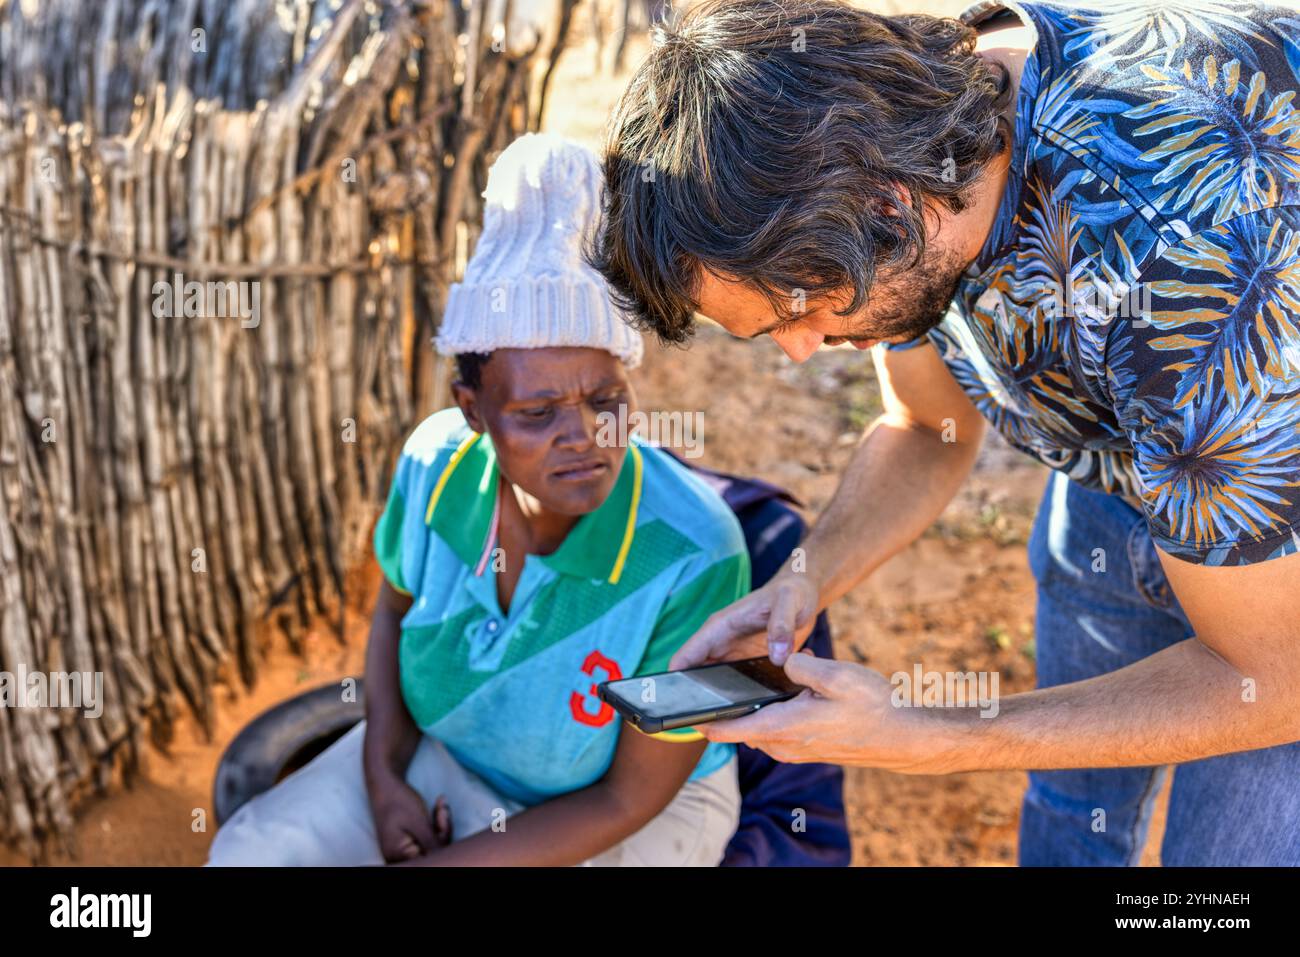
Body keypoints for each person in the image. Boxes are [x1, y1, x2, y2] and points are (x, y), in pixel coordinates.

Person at [593, 0, 1300, 865]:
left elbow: (1267, 676)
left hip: (1280, 576)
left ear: (889, 205)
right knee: (1075, 806)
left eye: (799, 310)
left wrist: (933, 734)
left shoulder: (1185, 253)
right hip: (1129, 470)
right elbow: (927, 425)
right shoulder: (907, 143)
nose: (801, 351)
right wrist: (805, 580)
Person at [208, 133, 748, 866]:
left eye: (605, 398)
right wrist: (381, 776)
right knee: (253, 852)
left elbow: (629, 798)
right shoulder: (434, 468)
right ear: (473, 411)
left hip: (626, 820)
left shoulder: (694, 554)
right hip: (453, 749)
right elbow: (394, 611)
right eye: (537, 413)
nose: (584, 435)